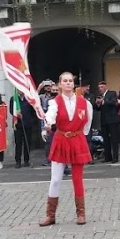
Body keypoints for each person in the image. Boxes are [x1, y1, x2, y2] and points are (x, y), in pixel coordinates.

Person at [39, 72, 93, 226]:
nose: (68, 83)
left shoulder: (84, 103)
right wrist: (47, 124)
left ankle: (81, 213)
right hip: (61, 139)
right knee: (55, 179)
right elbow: (51, 116)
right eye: (65, 81)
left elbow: (88, 122)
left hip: (77, 140)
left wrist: (80, 136)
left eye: (70, 81)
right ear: (60, 84)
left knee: (77, 179)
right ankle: (50, 215)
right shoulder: (55, 102)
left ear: (73, 84)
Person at [10, 90, 34, 168]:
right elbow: (11, 110)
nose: (20, 91)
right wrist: (16, 113)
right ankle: (18, 161)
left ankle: (26, 160)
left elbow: (33, 110)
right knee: (18, 143)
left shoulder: (29, 99)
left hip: (27, 123)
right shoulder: (14, 98)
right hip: (18, 124)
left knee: (27, 143)